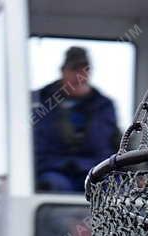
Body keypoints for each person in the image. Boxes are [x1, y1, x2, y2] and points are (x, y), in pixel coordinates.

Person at [32, 47, 121, 192]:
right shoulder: (38, 102)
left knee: (115, 187)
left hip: (97, 172)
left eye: (85, 69)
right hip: (53, 172)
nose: (79, 75)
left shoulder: (105, 106)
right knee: (53, 185)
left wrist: (142, 173)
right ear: (63, 71)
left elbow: (121, 143)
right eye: (74, 69)